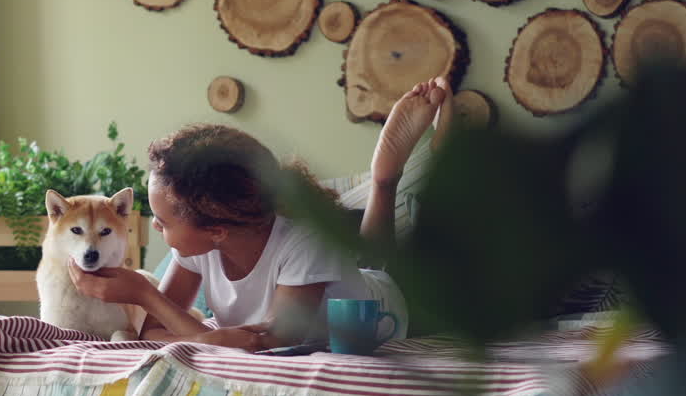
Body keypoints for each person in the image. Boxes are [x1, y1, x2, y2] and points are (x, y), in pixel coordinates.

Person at [67, 76, 449, 351]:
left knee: (383, 265)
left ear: (216, 229)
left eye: (164, 222)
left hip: (388, 311)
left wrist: (144, 293)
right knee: (359, 257)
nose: (154, 226)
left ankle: (388, 178)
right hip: (333, 279)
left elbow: (273, 342)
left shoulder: (302, 244)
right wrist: (212, 336)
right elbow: (153, 333)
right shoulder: (198, 247)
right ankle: (380, 186)